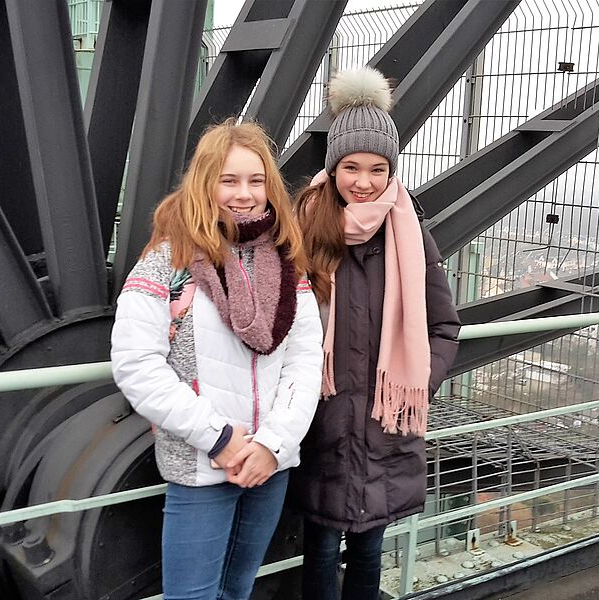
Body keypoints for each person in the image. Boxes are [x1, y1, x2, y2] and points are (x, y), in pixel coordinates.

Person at [110, 119, 323, 600]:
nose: (244, 194)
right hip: (200, 463)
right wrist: (219, 438)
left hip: (269, 464)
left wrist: (272, 444)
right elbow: (136, 364)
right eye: (229, 180)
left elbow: (304, 362)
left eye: (256, 180)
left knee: (238, 590)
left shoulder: (288, 264)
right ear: (205, 184)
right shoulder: (169, 261)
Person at [291, 67, 461, 600]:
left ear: (392, 171)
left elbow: (444, 325)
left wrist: (413, 386)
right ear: (333, 167)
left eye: (377, 169)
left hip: (386, 427)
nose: (363, 182)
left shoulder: (410, 234)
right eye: (351, 167)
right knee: (319, 549)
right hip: (320, 423)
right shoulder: (302, 229)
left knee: (368, 552)